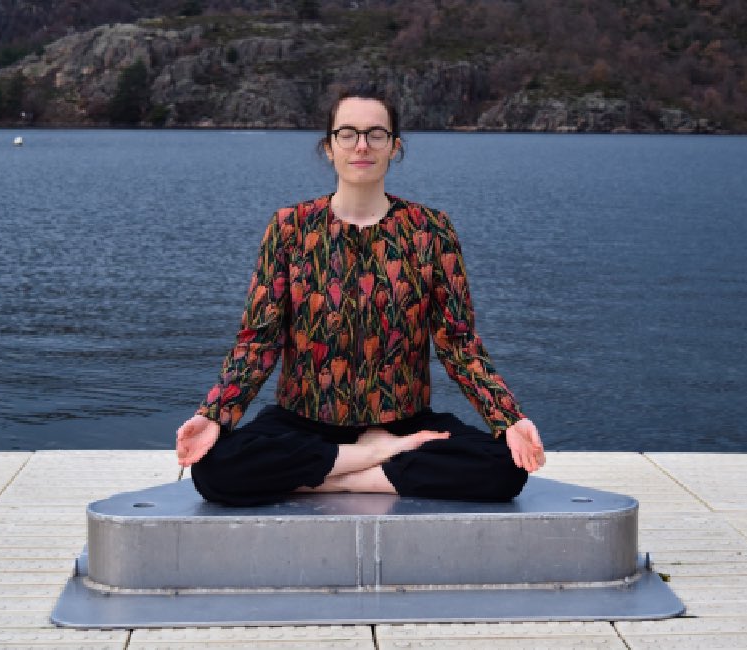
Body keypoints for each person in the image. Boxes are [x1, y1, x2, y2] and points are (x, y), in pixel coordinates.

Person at [175, 86, 545, 506]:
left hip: (404, 423)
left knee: (506, 469)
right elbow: (259, 340)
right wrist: (214, 415)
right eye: (347, 133)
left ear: (395, 147)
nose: (362, 145)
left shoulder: (431, 230)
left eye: (376, 134)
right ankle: (370, 459)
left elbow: (458, 343)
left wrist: (509, 418)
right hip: (303, 421)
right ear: (329, 147)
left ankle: (332, 473)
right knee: (214, 469)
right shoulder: (290, 228)